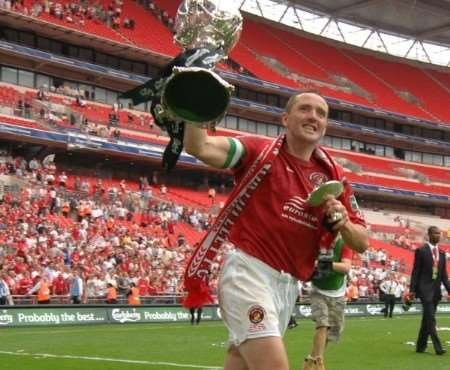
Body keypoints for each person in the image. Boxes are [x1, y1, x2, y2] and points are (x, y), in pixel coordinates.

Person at [183, 90, 368, 370]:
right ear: (285, 118)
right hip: (249, 274)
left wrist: (343, 222)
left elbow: (362, 241)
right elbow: (200, 147)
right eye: (305, 109)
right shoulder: (260, 151)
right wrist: (198, 99)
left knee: (239, 364)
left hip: (288, 287)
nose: (313, 117)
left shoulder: (333, 177)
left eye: (321, 113)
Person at [303, 238, 352, 370]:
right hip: (318, 291)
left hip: (338, 293)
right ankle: (319, 362)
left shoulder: (344, 244)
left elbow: (346, 267)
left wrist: (326, 264)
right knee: (322, 325)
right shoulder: (316, 242)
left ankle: (310, 360)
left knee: (332, 332)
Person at [410, 226, 450, 355]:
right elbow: (415, 272)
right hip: (424, 290)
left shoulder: (442, 254)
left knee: (427, 319)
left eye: (439, 233)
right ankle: (438, 348)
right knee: (431, 318)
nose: (438, 235)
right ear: (429, 234)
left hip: (436, 292)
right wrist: (412, 290)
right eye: (435, 233)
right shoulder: (421, 251)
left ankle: (420, 347)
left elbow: (444, 276)